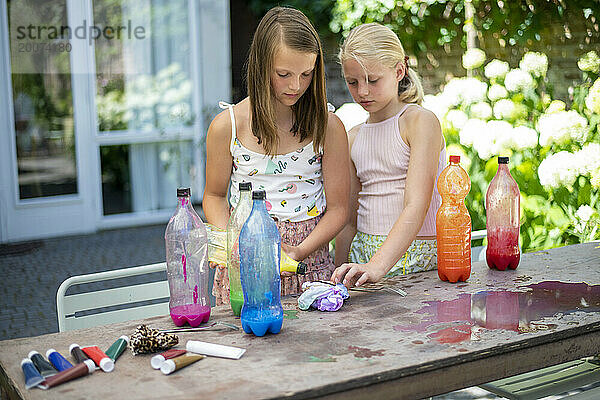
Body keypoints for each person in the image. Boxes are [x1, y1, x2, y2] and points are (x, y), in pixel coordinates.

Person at [203, 6, 349, 305]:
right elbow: (215, 197)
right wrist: (235, 244)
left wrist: (297, 252)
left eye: (306, 74)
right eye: (284, 74)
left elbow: (338, 209)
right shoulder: (226, 126)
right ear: (261, 66)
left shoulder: (328, 126)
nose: (296, 85)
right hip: (245, 271)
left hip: (310, 267)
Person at [331, 23, 446, 288]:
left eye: (373, 80)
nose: (363, 91)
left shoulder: (419, 122)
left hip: (416, 262)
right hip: (364, 262)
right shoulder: (353, 137)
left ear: (399, 71)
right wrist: (337, 277)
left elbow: (417, 204)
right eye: (353, 82)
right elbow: (349, 220)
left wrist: (376, 266)